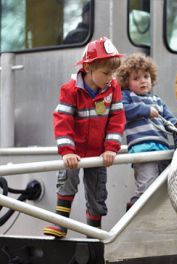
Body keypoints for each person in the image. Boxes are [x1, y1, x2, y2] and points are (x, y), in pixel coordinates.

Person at [43, 37, 125, 238]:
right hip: (75, 152)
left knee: (98, 191)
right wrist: (67, 152)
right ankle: (60, 224)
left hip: (99, 153)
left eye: (112, 73)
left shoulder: (113, 89)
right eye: (106, 73)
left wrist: (111, 148)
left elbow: (117, 119)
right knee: (68, 179)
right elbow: (63, 121)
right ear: (88, 68)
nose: (110, 78)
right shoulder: (70, 90)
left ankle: (93, 233)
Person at [116, 53, 177, 210]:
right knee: (147, 187)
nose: (143, 81)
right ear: (126, 83)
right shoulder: (127, 96)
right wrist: (145, 110)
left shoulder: (157, 100)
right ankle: (133, 211)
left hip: (162, 151)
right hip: (143, 152)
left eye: (146, 76)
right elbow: (122, 110)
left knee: (163, 188)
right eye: (136, 78)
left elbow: (168, 117)